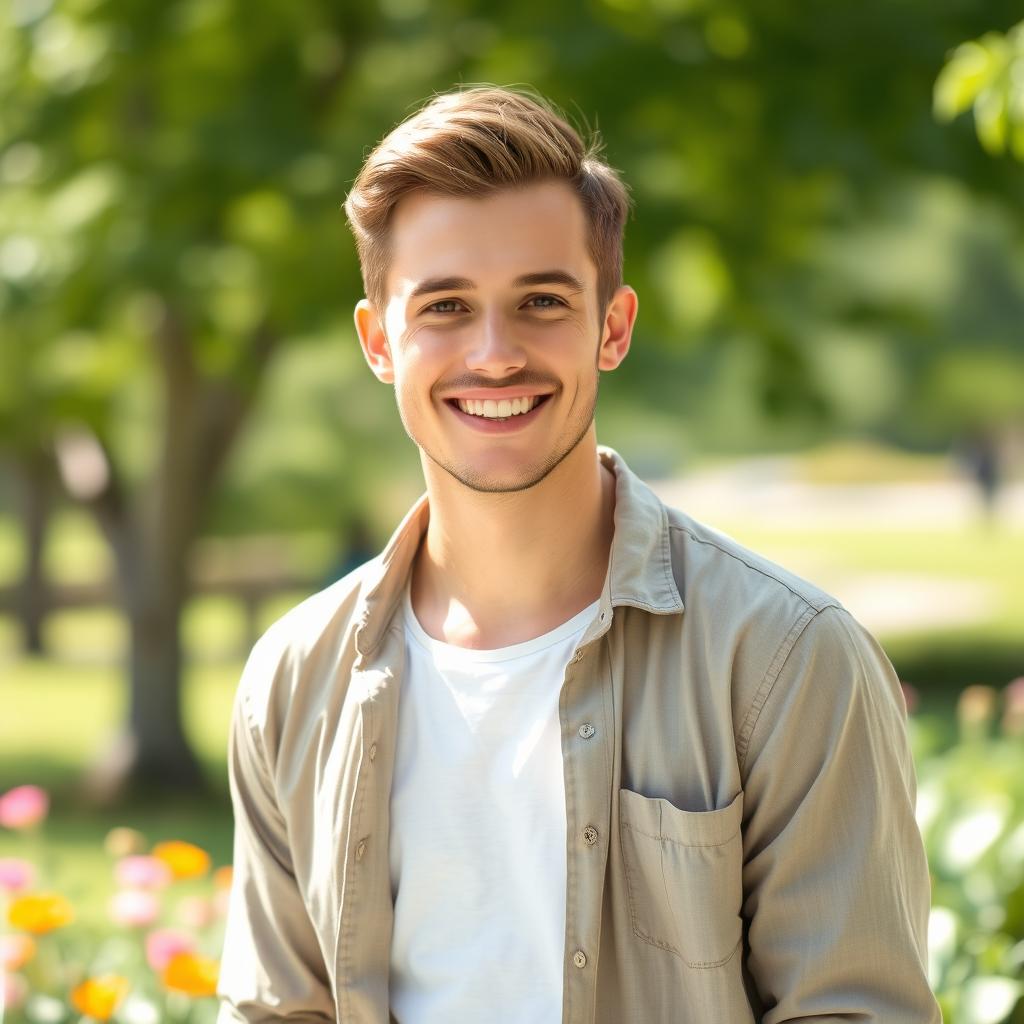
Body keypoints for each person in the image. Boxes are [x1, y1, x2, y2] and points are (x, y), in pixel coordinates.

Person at [216, 85, 941, 1023]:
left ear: (614, 326)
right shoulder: (292, 678)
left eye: (542, 301)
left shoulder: (788, 661)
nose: (495, 353)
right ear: (378, 341)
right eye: (443, 306)